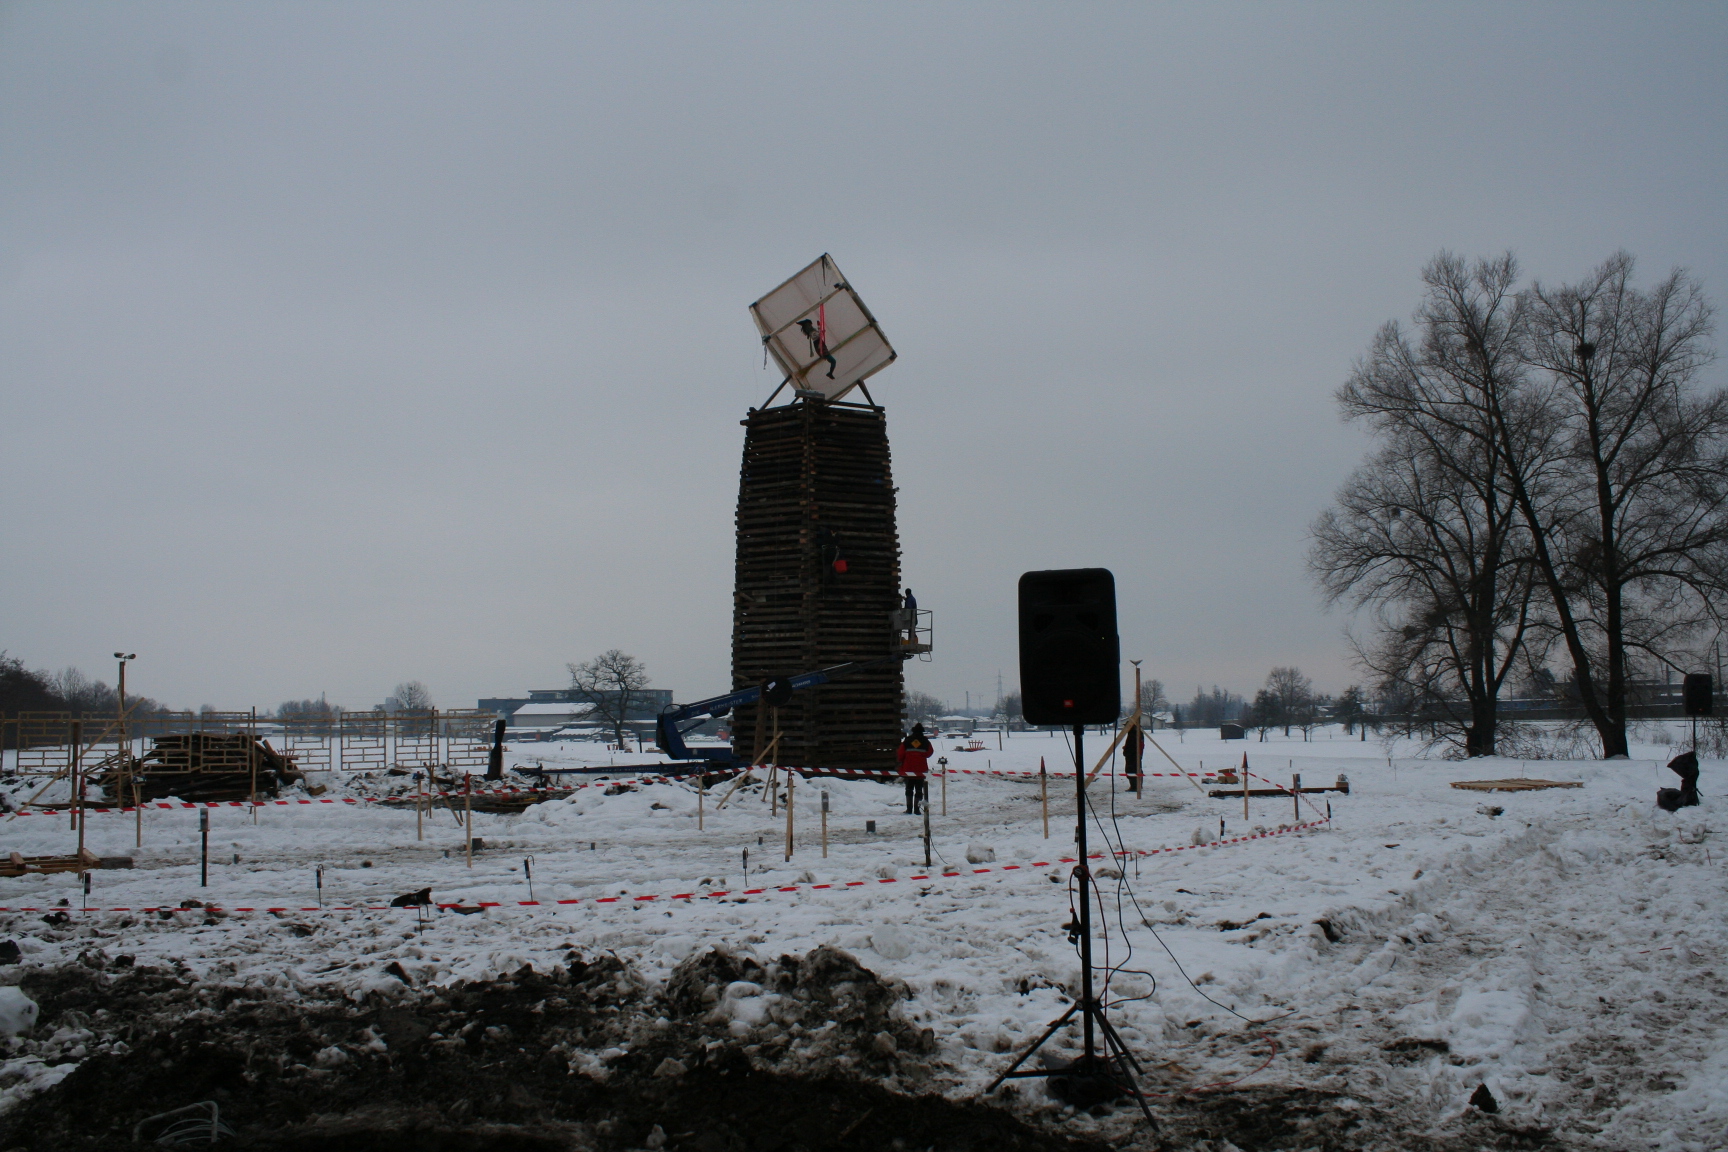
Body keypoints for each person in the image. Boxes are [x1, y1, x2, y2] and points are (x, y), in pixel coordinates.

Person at [897, 723, 933, 814]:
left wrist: (901, 761)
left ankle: (909, 809)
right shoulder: (925, 741)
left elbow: (900, 754)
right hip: (921, 769)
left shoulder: (907, 740)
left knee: (909, 789)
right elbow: (929, 753)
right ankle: (917, 810)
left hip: (908, 769)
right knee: (919, 790)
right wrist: (921, 756)